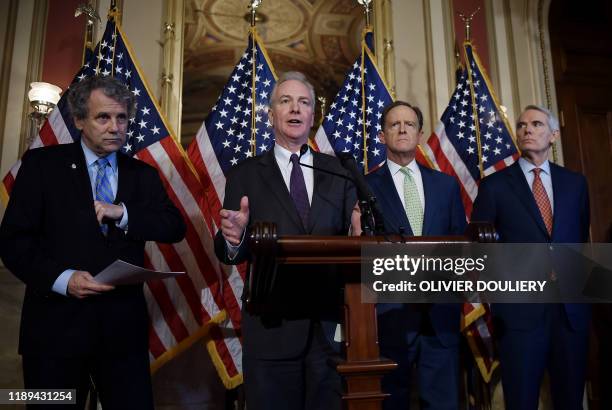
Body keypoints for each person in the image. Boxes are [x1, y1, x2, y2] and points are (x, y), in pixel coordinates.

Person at [0, 75, 186, 409]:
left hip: (122, 336)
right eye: (104, 117)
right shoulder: (43, 166)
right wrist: (64, 280)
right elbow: (13, 243)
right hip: (53, 333)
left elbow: (173, 226)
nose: (115, 127)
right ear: (79, 120)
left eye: (121, 118)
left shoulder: (142, 174)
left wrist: (125, 213)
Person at [214, 71, 356, 410]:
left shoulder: (340, 172)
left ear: (312, 116)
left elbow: (356, 236)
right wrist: (234, 238)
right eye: (286, 101)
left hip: (329, 327)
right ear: (272, 114)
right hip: (271, 327)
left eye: (303, 102)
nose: (295, 109)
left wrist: (362, 231)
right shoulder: (244, 174)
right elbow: (230, 249)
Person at [471, 105, 590, 409]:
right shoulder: (494, 185)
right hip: (520, 313)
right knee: (521, 400)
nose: (527, 130)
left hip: (570, 314)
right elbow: (479, 250)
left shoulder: (575, 184)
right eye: (522, 125)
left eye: (536, 124)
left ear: (553, 135)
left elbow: (580, 241)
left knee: (570, 400)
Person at [363, 101, 466, 409]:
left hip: (440, 317)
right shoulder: (365, 186)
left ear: (420, 134)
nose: (403, 129)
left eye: (409, 124)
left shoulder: (446, 186)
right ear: (382, 136)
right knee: (392, 402)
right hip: (390, 316)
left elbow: (460, 244)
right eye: (395, 124)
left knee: (442, 402)